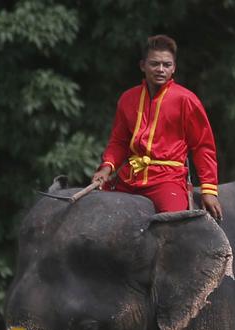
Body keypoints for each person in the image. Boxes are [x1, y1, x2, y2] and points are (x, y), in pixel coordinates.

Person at [92, 35, 223, 220]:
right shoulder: (127, 99)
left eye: (167, 65)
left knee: (175, 226)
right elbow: (119, 142)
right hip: (130, 178)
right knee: (95, 212)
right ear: (142, 66)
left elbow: (203, 146)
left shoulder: (186, 100)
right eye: (154, 64)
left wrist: (209, 190)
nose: (161, 69)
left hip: (167, 180)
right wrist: (106, 168)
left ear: (173, 68)